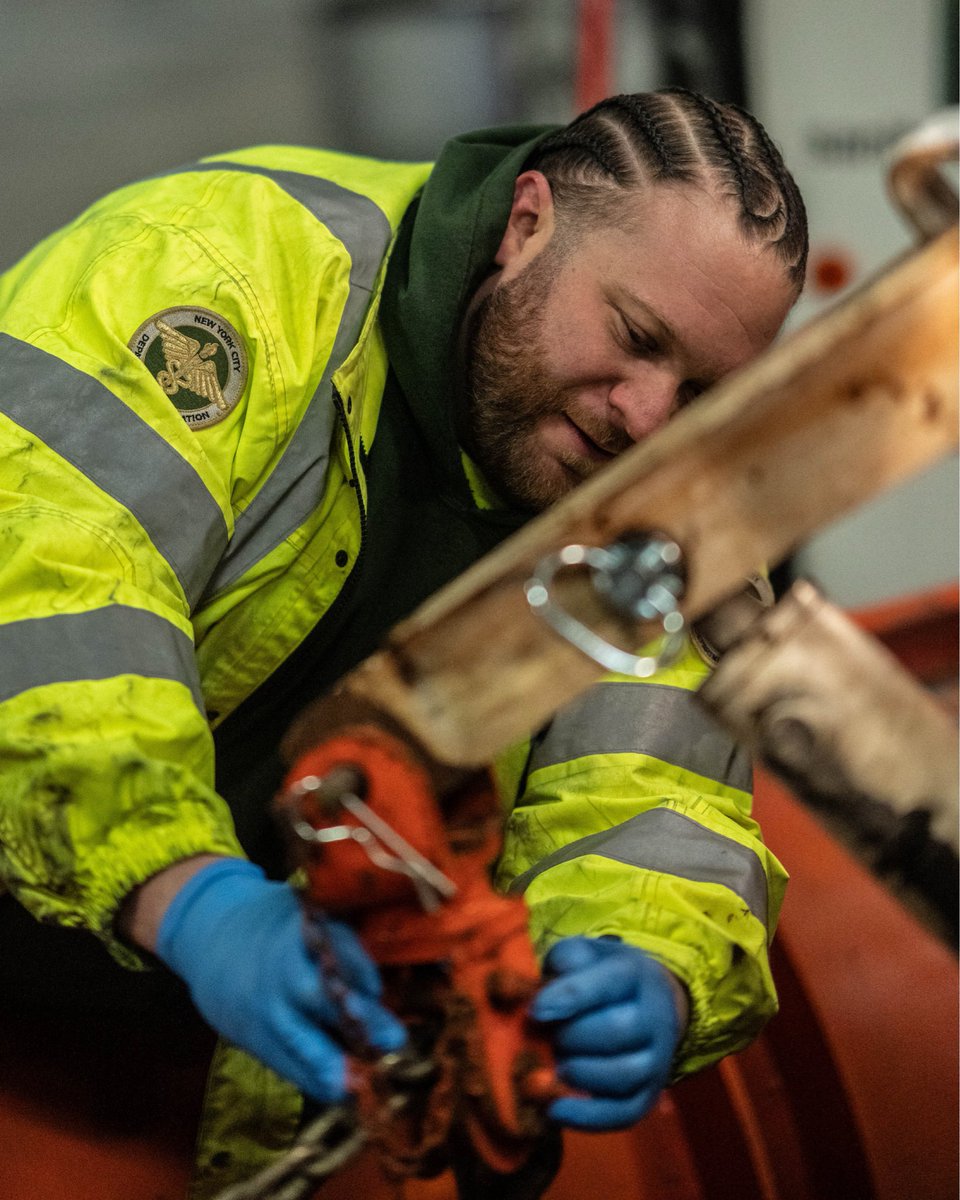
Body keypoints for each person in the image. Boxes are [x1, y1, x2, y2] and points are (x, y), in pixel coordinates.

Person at [0, 88, 806, 1197]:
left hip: (217, 1084)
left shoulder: (675, 508)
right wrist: (188, 894)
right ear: (526, 226)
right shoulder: (232, 269)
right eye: (635, 338)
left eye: (705, 390)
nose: (649, 420)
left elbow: (653, 794)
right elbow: (44, 581)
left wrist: (646, 963)